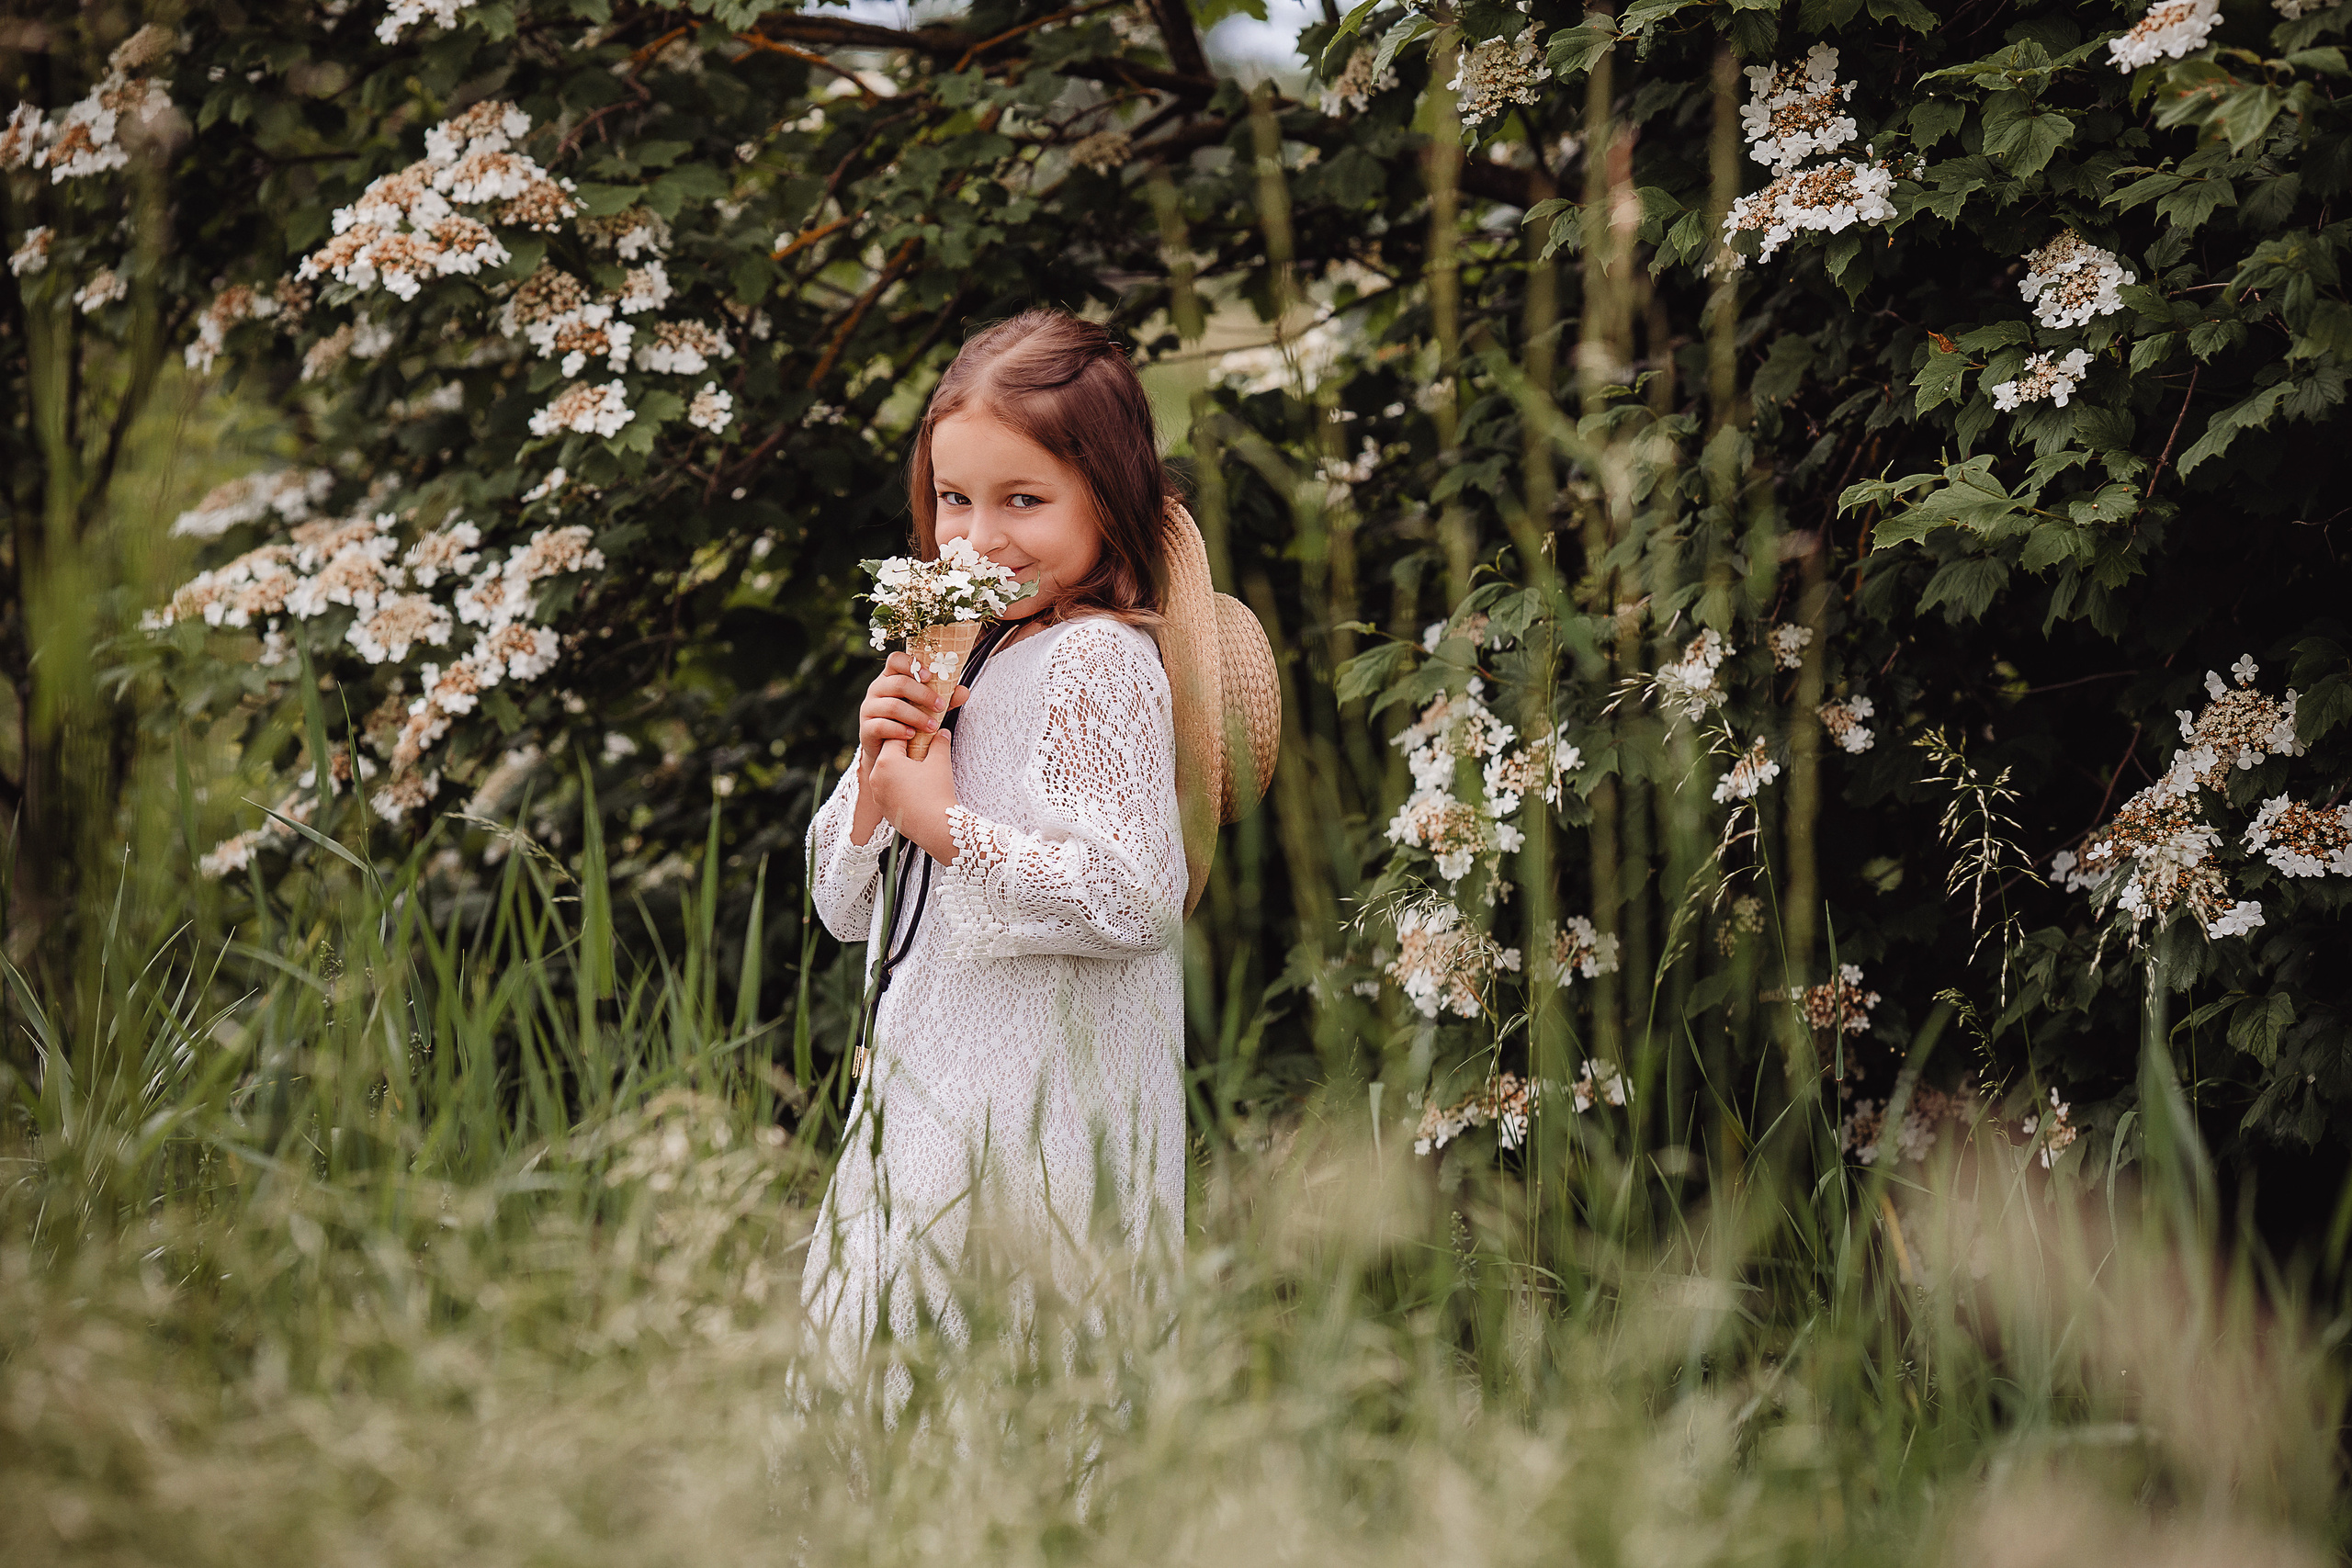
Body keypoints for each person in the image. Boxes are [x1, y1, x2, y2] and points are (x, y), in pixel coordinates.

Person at [799, 310, 1196, 1416]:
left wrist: (945, 827)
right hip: (922, 1097)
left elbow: (1130, 896)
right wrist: (881, 762)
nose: (978, 539)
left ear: (1106, 501)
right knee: (891, 1399)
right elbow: (840, 906)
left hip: (1041, 1115)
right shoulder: (950, 656)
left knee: (1005, 1400)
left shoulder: (1096, 664)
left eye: (1024, 501)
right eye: (952, 502)